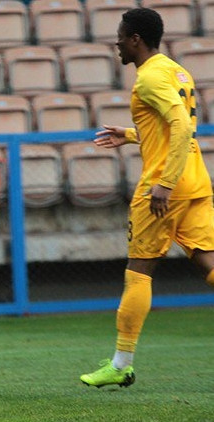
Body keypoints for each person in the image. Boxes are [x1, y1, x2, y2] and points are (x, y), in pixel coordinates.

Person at [80, 7, 214, 388]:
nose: (117, 43)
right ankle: (120, 363)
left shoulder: (149, 78)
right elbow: (173, 128)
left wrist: (164, 184)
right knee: (209, 263)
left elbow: (181, 125)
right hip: (196, 182)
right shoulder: (176, 71)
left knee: (138, 273)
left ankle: (121, 363)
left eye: (121, 36)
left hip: (163, 188)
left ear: (136, 39)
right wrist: (130, 134)